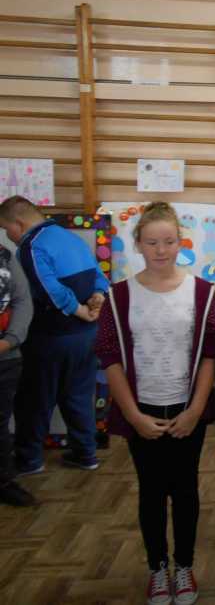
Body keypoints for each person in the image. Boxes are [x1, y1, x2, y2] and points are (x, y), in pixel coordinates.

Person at [95, 201, 215, 605]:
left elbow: (210, 355)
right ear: (138, 244)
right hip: (142, 411)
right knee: (151, 492)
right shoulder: (118, 296)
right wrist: (133, 416)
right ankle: (157, 568)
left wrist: (196, 410)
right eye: (152, 242)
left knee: (185, 491)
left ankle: (184, 566)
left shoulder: (202, 292)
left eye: (168, 241)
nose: (161, 250)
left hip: (186, 410)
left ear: (179, 242)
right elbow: (110, 358)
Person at [0, 195, 108, 475]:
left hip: (52, 336)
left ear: (18, 224)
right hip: (86, 336)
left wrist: (80, 310)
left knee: (35, 398)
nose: (8, 236)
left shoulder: (31, 247)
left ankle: (29, 460)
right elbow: (98, 276)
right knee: (79, 395)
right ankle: (86, 454)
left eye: (6, 229)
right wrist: (97, 297)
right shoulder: (70, 238)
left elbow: (49, 288)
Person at [0, 245, 33, 506]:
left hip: (5, 358)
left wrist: (9, 341)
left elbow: (22, 300)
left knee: (0, 424)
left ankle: (3, 482)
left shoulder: (5, 256)